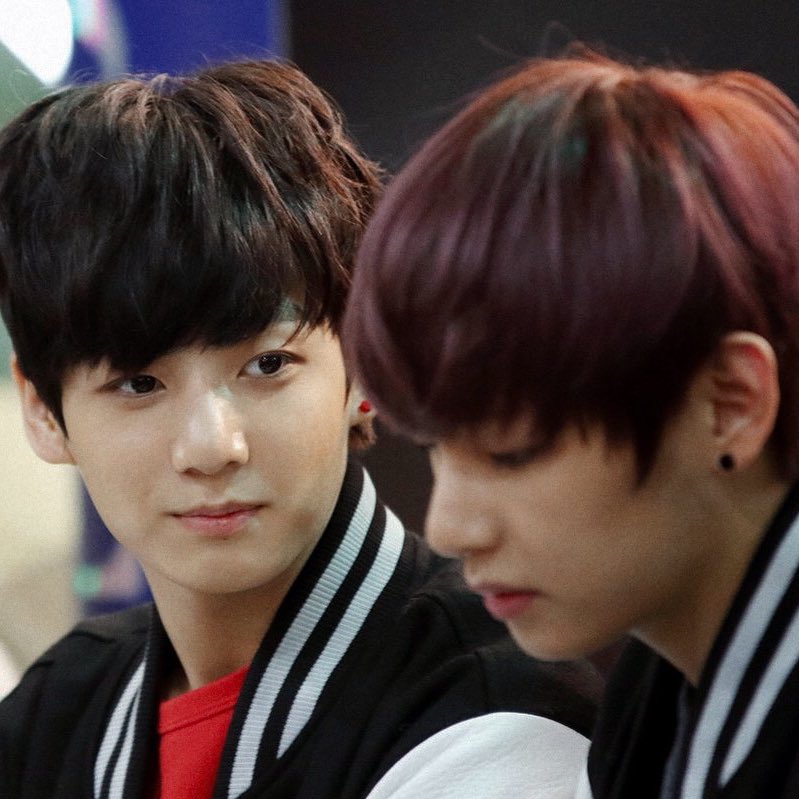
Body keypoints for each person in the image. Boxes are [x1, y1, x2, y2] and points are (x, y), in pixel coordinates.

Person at [0, 59, 600, 799]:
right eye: (139, 384)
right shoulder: (60, 708)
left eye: (268, 365)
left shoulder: (489, 722)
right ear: (44, 411)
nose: (213, 447)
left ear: (365, 362)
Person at [343, 46, 799, 798]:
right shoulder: (656, 692)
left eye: (512, 452)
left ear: (730, 401)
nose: (449, 528)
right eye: (435, 447)